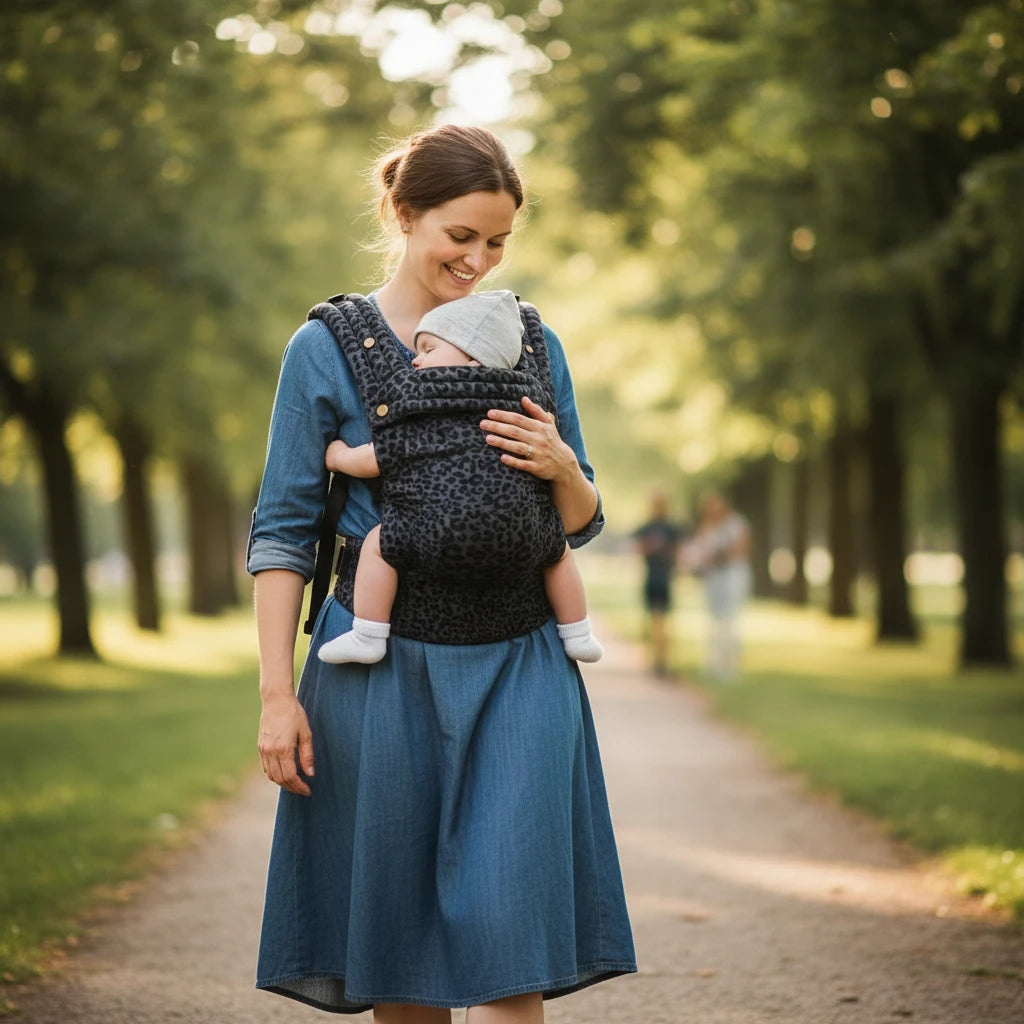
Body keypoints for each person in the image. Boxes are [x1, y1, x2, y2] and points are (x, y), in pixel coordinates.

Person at [247, 124, 635, 1022]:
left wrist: (564, 470)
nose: (480, 260)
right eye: (461, 236)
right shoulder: (325, 348)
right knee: (403, 951)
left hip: (520, 660)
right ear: (403, 212)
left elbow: (580, 523)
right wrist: (276, 693)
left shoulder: (534, 343)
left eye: (498, 242)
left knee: (512, 945)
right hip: (377, 665)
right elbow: (283, 533)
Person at [317, 289, 603, 667]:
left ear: (472, 358)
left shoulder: (426, 406)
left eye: (429, 350)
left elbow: (379, 458)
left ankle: (368, 633)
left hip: (431, 533)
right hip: (520, 536)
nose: (416, 361)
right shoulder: (526, 410)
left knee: (377, 544)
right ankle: (578, 631)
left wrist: (339, 456)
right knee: (556, 551)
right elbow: (571, 525)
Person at [687, 490, 752, 681]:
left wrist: (717, 555)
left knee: (731, 622)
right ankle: (714, 665)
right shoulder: (708, 527)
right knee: (714, 622)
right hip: (714, 578)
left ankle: (731, 667)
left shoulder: (737, 524)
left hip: (732, 576)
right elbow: (701, 552)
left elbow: (740, 550)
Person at [633, 490, 684, 676]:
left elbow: (677, 552)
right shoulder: (646, 528)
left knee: (664, 621)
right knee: (652, 620)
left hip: (664, 577)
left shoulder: (671, 529)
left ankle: (662, 660)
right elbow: (639, 549)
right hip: (652, 577)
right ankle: (652, 660)